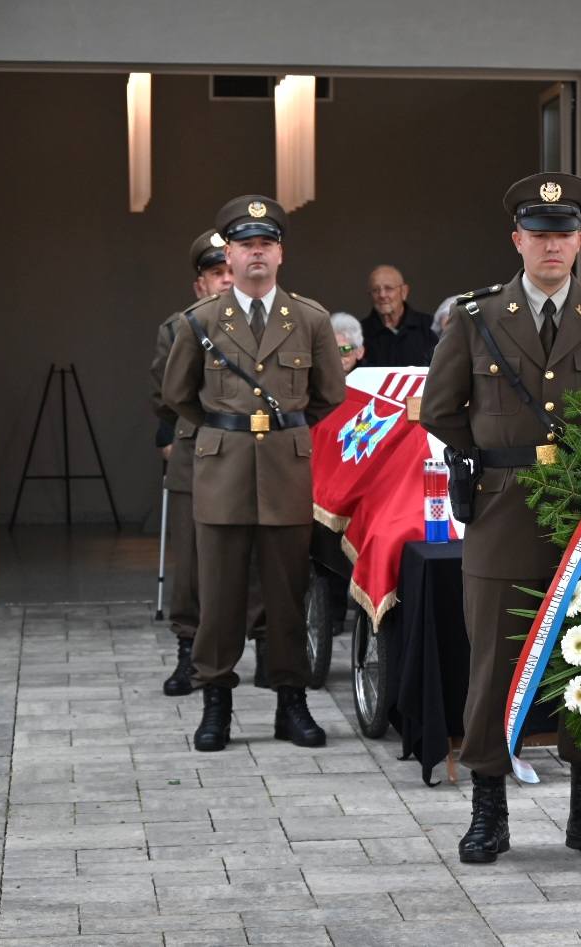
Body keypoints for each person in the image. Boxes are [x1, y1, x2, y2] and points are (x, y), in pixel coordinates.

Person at [421, 173, 581, 866]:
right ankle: (490, 809)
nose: (553, 245)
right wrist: (489, 456)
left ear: (579, 242)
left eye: (564, 233)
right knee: (494, 663)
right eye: (539, 233)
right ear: (517, 240)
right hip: (502, 509)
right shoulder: (477, 315)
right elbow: (438, 408)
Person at [161, 195, 345, 752]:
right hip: (221, 473)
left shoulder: (309, 319)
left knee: (287, 594)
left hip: (286, 474)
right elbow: (178, 396)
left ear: (280, 254)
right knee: (218, 597)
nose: (255, 254)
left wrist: (281, 429)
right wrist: (225, 430)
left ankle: (292, 704)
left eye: (265, 244)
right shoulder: (199, 322)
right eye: (245, 245)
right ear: (230, 255)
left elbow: (328, 394)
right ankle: (216, 702)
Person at [149, 230, 270, 695]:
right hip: (196, 451)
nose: (224, 280)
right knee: (194, 562)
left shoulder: (270, 322)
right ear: (199, 283)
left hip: (257, 453)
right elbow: (166, 395)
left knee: (260, 554)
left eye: (227, 271)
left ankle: (264, 649)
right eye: (214, 274)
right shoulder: (180, 327)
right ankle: (190, 654)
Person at [360, 264, 439, 367]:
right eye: (375, 290)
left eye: (388, 288)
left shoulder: (431, 327)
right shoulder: (359, 333)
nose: (382, 295)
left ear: (404, 291)